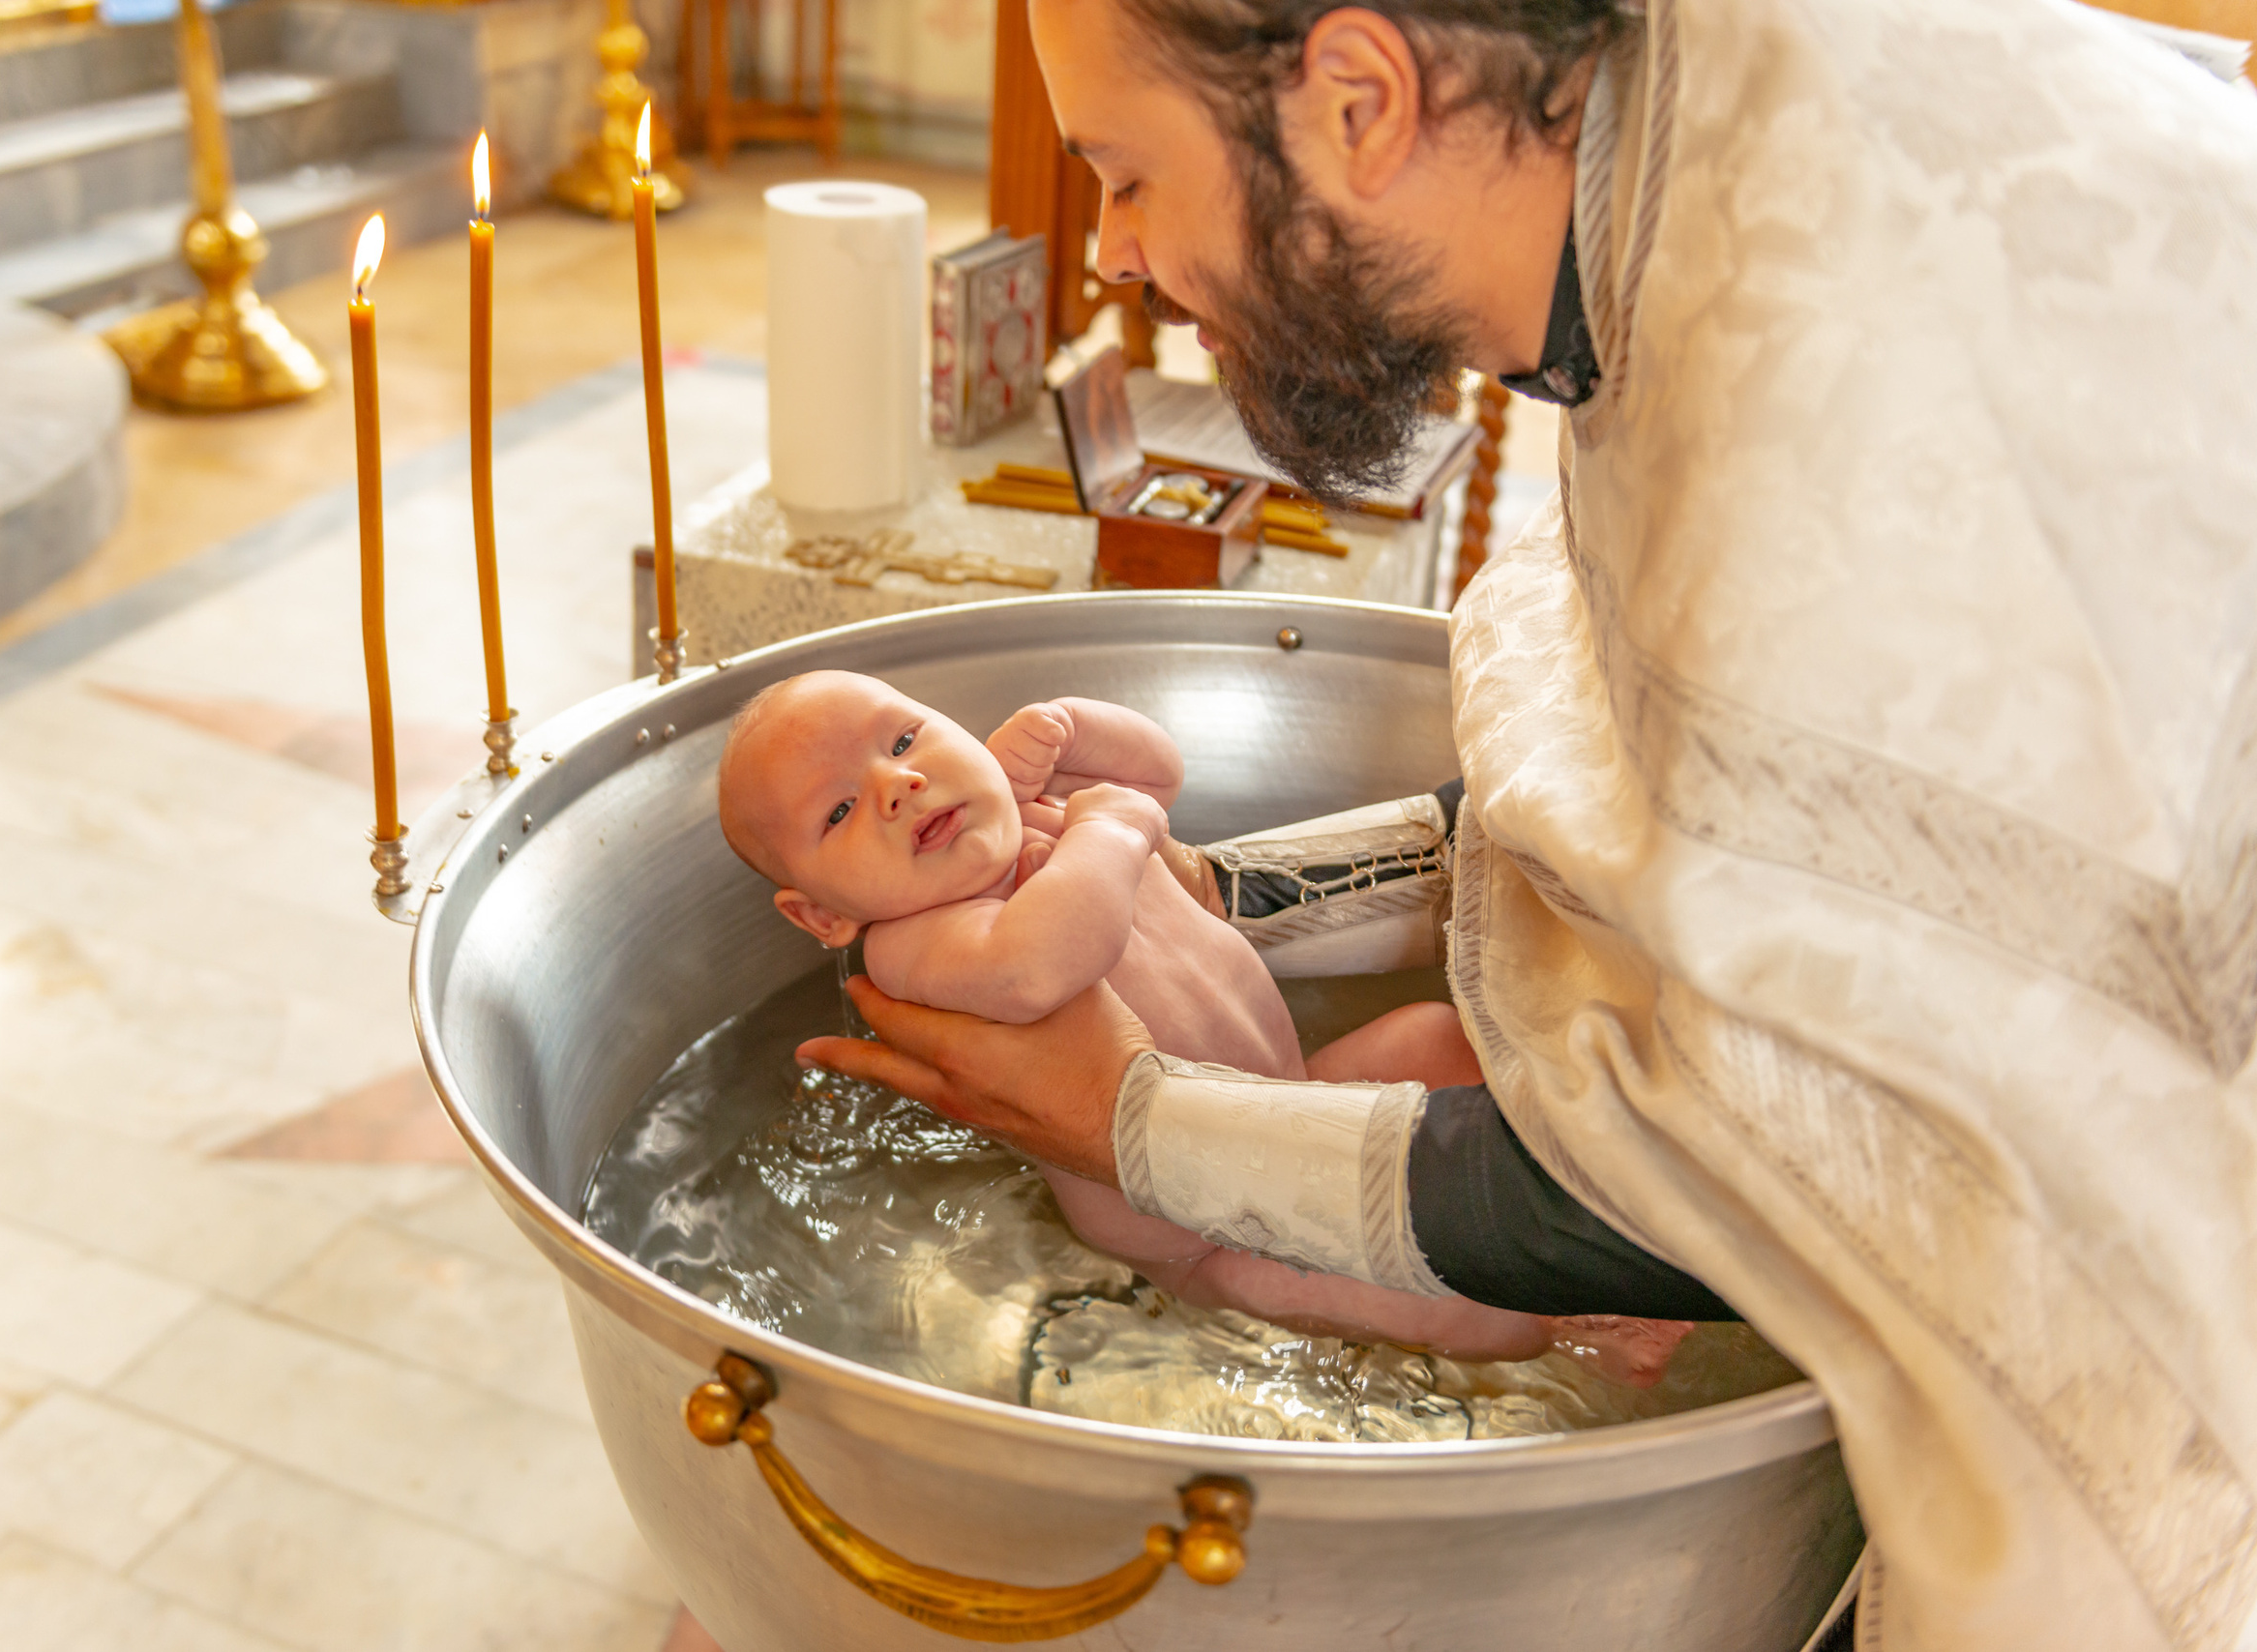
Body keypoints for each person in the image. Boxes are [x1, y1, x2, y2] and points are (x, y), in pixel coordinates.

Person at [802, 3, 2257, 1649]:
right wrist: (1225, 894)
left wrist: (1138, 1128)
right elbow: (1629, 787)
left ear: (1360, 99)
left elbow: (1778, 1168)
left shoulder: (1833, 442)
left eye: (1126, 176)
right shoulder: (1707, 161)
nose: (1112, 256)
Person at [719, 668, 1693, 1378]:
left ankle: (1582, 1192)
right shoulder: (918, 944)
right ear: (821, 916)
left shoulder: (1039, 823)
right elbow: (1042, 961)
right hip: (1209, 1235)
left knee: (1433, 1034)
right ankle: (1571, 1327)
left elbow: (1157, 776)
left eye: (904, 741)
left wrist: (1073, 727)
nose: (896, 786)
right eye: (839, 812)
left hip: (1292, 1095)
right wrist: (1111, 827)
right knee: (1396, 1286)